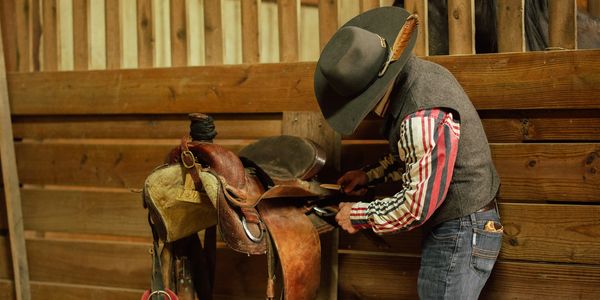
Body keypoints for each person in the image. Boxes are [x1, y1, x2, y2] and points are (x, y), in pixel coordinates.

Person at [313, 6, 503, 299]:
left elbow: (417, 207)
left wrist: (359, 214)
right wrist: (369, 176)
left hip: (461, 230)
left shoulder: (420, 114)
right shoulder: (419, 77)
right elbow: (415, 157)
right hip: (461, 225)